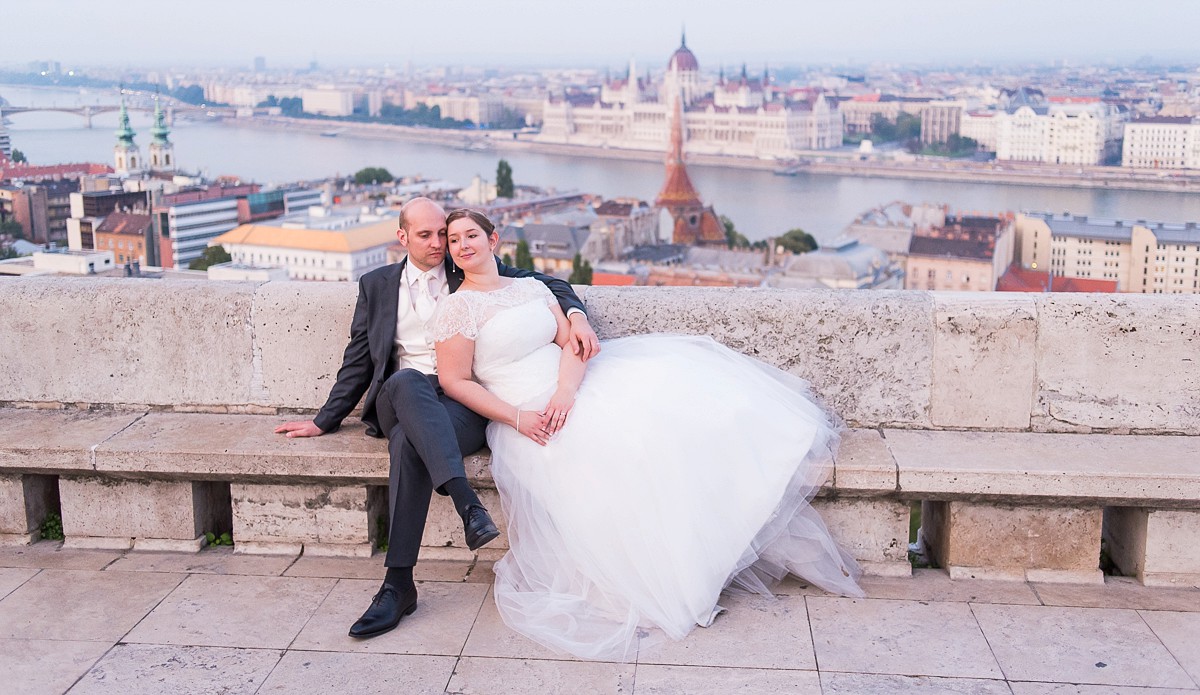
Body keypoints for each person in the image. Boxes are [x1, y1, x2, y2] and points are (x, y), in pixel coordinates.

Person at [433, 209, 864, 662]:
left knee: (677, 420)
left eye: (472, 235)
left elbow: (571, 345)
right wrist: (519, 417)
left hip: (574, 385)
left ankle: (695, 563)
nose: (463, 245)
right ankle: (662, 579)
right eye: (455, 239)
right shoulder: (457, 308)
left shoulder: (532, 287)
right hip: (524, 412)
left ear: (493, 239)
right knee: (617, 453)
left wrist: (566, 390)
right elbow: (456, 381)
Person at [275, 197, 598, 639]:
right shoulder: (376, 285)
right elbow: (357, 360)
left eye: (441, 234)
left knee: (410, 443)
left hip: (457, 404)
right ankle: (466, 501)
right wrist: (324, 419)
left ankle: (398, 585)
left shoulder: (467, 270)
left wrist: (577, 316)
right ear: (402, 237)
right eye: (426, 235)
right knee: (408, 383)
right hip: (399, 396)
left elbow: (547, 285)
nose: (438, 244)